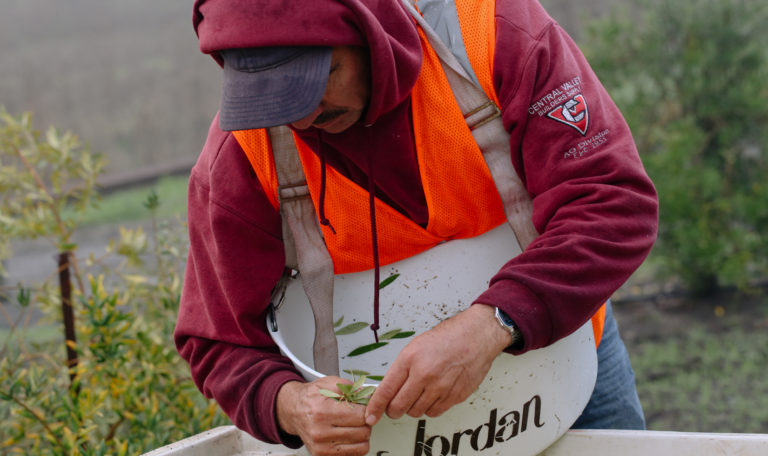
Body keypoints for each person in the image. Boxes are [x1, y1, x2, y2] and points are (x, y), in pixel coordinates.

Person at [174, 0, 659, 455]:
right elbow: (218, 339)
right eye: (271, 95)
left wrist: (492, 324)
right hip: (391, 434)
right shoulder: (239, 156)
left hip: (559, 351)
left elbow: (611, 200)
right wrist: (290, 405)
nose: (302, 117)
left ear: (365, 26)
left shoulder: (488, 32)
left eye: (316, 78)